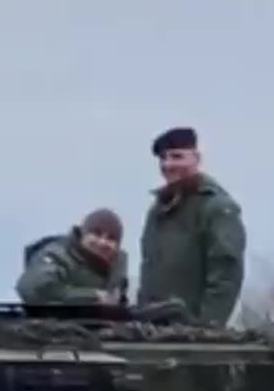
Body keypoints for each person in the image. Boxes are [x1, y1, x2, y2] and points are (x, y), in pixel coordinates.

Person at [136, 126, 246, 325]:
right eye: (163, 158)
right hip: (155, 331)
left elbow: (225, 276)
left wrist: (206, 328)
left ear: (196, 158)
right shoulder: (158, 211)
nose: (168, 164)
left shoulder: (217, 208)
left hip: (194, 336)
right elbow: (149, 270)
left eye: (177, 157)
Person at [16, 208, 128, 305]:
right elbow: (32, 288)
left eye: (111, 238)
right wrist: (92, 296)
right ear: (83, 235)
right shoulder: (57, 254)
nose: (103, 242)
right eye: (96, 233)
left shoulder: (117, 272)